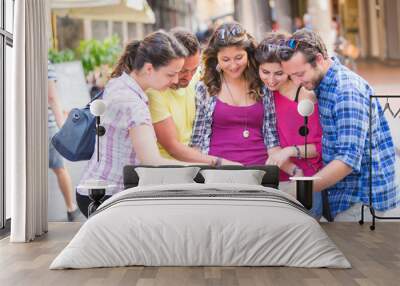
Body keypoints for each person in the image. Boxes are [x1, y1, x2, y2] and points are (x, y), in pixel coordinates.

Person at [77, 31, 206, 217]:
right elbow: (151, 161)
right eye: (171, 74)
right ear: (149, 69)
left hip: (97, 188)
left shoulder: (121, 83)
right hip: (108, 197)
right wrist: (203, 171)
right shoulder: (133, 104)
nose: (176, 80)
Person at [278, 28, 399, 220]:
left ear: (318, 59)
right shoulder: (323, 80)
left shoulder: (346, 92)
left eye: (300, 74)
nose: (297, 81)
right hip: (344, 194)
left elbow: (347, 160)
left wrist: (298, 190)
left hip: (362, 200)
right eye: (291, 75)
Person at [190, 22, 279, 166]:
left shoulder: (262, 84)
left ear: (248, 54)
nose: (233, 65)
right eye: (226, 60)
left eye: (239, 58)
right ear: (216, 58)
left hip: (259, 169)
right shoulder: (205, 88)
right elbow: (197, 140)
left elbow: (272, 136)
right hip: (217, 172)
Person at [255, 32, 323, 218]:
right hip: (278, 177)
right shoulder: (266, 94)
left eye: (279, 73)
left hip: (307, 179)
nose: (271, 80)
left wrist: (289, 151)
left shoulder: (306, 95)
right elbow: (268, 139)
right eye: (265, 72)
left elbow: (318, 147)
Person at [147, 28, 236, 165]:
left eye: (194, 69)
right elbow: (173, 148)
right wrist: (218, 162)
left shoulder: (198, 76)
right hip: (173, 169)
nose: (189, 77)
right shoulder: (154, 91)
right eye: (183, 71)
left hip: (201, 160)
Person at [48, 61, 80, 221]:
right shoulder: (44, 64)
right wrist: (63, 126)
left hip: (24, 127)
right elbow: (52, 97)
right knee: (60, 168)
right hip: (47, 127)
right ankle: (70, 207)